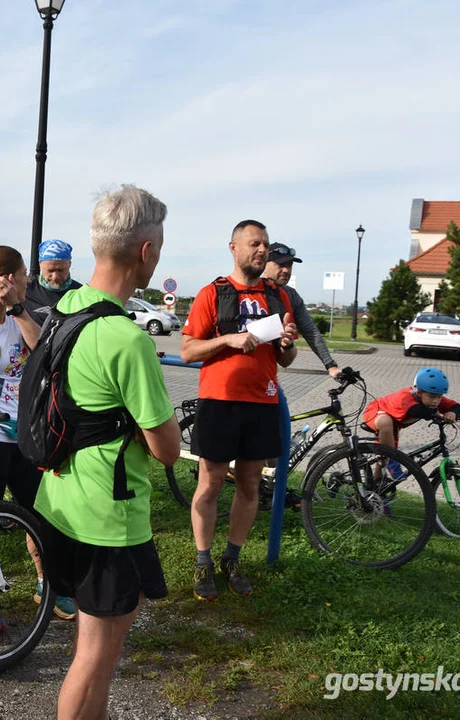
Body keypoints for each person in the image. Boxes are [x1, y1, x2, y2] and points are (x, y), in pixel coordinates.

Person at [34, 186, 180, 720]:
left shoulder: (65, 307)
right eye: (159, 245)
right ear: (146, 251)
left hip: (59, 500)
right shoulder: (127, 339)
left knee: (92, 656)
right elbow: (168, 448)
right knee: (93, 658)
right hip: (108, 518)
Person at [0, 245, 76, 632]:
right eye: (23, 274)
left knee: (39, 513)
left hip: (22, 437)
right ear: (4, 279)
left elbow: (44, 352)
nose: (30, 280)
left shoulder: (21, 318)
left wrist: (17, 308)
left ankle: (47, 585)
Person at [180, 219, 298, 601]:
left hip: (262, 402)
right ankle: (203, 561)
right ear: (233, 247)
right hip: (219, 402)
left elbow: (288, 360)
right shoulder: (212, 293)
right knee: (210, 484)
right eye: (254, 244)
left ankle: (232, 557)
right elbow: (187, 350)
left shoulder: (279, 297)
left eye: (265, 244)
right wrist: (228, 340)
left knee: (249, 485)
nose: (261, 250)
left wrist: (287, 344)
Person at [362, 367, 460, 477]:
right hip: (376, 412)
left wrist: (453, 413)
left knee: (383, 460)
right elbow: (416, 411)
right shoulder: (406, 397)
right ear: (419, 392)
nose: (436, 401)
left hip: (394, 423)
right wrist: (439, 414)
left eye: (439, 397)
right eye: (432, 396)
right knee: (385, 423)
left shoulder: (431, 397)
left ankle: (377, 486)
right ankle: (391, 459)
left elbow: (456, 406)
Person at [263, 242, 340, 378]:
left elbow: (310, 331)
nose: (286, 270)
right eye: (281, 265)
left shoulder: (291, 295)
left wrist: (331, 365)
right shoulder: (249, 291)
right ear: (264, 264)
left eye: (289, 265)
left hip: (269, 373)